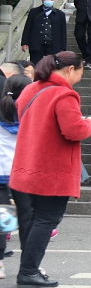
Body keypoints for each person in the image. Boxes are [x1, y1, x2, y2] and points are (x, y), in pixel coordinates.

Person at [10, 52, 91, 286]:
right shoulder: (65, 94)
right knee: (47, 219)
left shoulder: (30, 89)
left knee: (34, 218)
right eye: (80, 72)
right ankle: (28, 272)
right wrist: (90, 123)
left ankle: (29, 269)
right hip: (52, 169)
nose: (79, 77)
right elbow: (75, 130)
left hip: (27, 164)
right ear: (70, 69)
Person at [0, 74, 32, 277]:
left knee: (4, 218)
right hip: (24, 172)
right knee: (28, 219)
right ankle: (29, 265)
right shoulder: (30, 113)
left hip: (1, 172)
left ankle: (0, 264)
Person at [21, 0, 67, 65]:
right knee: (35, 65)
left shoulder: (60, 14)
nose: (49, 1)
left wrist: (63, 48)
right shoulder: (34, 12)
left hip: (53, 45)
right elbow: (28, 27)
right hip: (37, 44)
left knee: (52, 66)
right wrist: (25, 43)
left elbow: (63, 32)